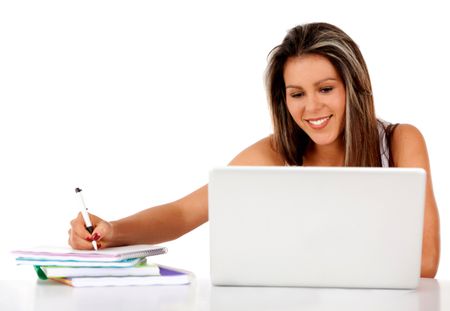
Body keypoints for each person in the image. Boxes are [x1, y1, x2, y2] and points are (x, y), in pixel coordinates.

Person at [68, 22, 440, 278]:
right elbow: (185, 213)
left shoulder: (400, 141)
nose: (311, 108)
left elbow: (426, 262)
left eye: (325, 89)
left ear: (352, 87)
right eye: (297, 94)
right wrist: (112, 231)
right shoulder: (276, 154)